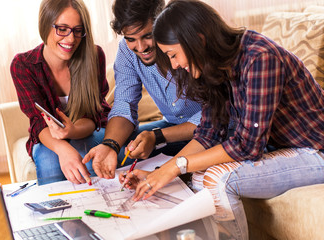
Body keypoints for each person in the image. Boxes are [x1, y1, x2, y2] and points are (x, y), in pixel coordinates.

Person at [119, 0, 324, 239]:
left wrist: (175, 167)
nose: (174, 65)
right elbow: (208, 133)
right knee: (197, 175)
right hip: (285, 147)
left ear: (198, 39)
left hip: (316, 149)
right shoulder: (211, 65)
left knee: (218, 180)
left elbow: (247, 145)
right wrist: (160, 172)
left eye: (173, 55)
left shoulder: (260, 58)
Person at [82, 0, 202, 179]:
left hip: (213, 131)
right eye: (131, 39)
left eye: (147, 35)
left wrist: (158, 137)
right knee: (120, 152)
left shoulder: (185, 40)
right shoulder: (127, 51)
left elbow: (214, 121)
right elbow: (124, 104)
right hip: (171, 127)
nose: (141, 47)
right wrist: (111, 145)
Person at [10, 0, 111, 185]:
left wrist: (72, 131)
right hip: (48, 136)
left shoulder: (94, 56)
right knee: (49, 161)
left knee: (85, 156)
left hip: (87, 130)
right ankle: (55, 212)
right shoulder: (23, 65)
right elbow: (38, 121)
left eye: (78, 30)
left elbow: (95, 114)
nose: (71, 39)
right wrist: (63, 149)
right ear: (44, 25)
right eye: (62, 29)